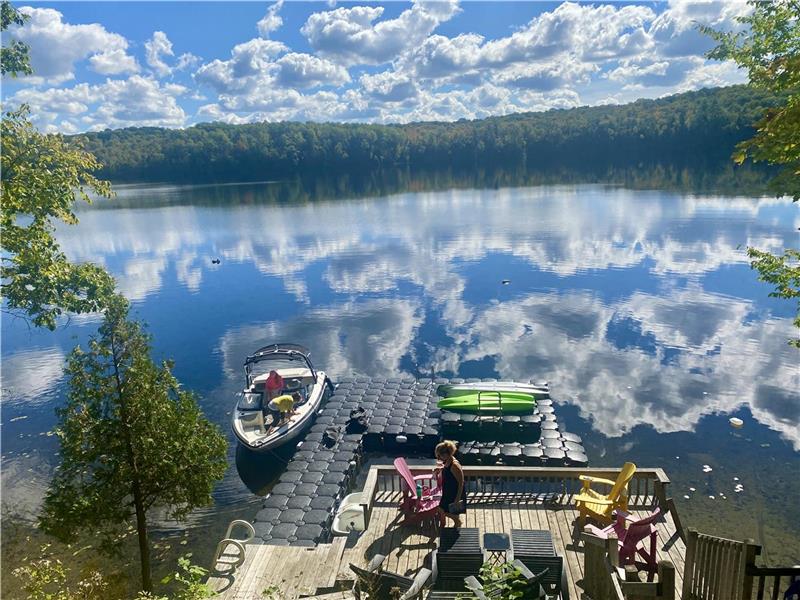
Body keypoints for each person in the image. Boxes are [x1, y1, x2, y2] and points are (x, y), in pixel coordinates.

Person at [434, 440, 466, 528]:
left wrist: (457, 499)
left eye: (439, 456)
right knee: (445, 509)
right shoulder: (447, 461)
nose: (438, 458)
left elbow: (461, 483)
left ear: (445, 454)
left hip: (454, 492)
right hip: (448, 490)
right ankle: (456, 523)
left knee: (444, 509)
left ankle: (458, 523)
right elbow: (447, 471)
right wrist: (439, 470)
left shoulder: (454, 465)